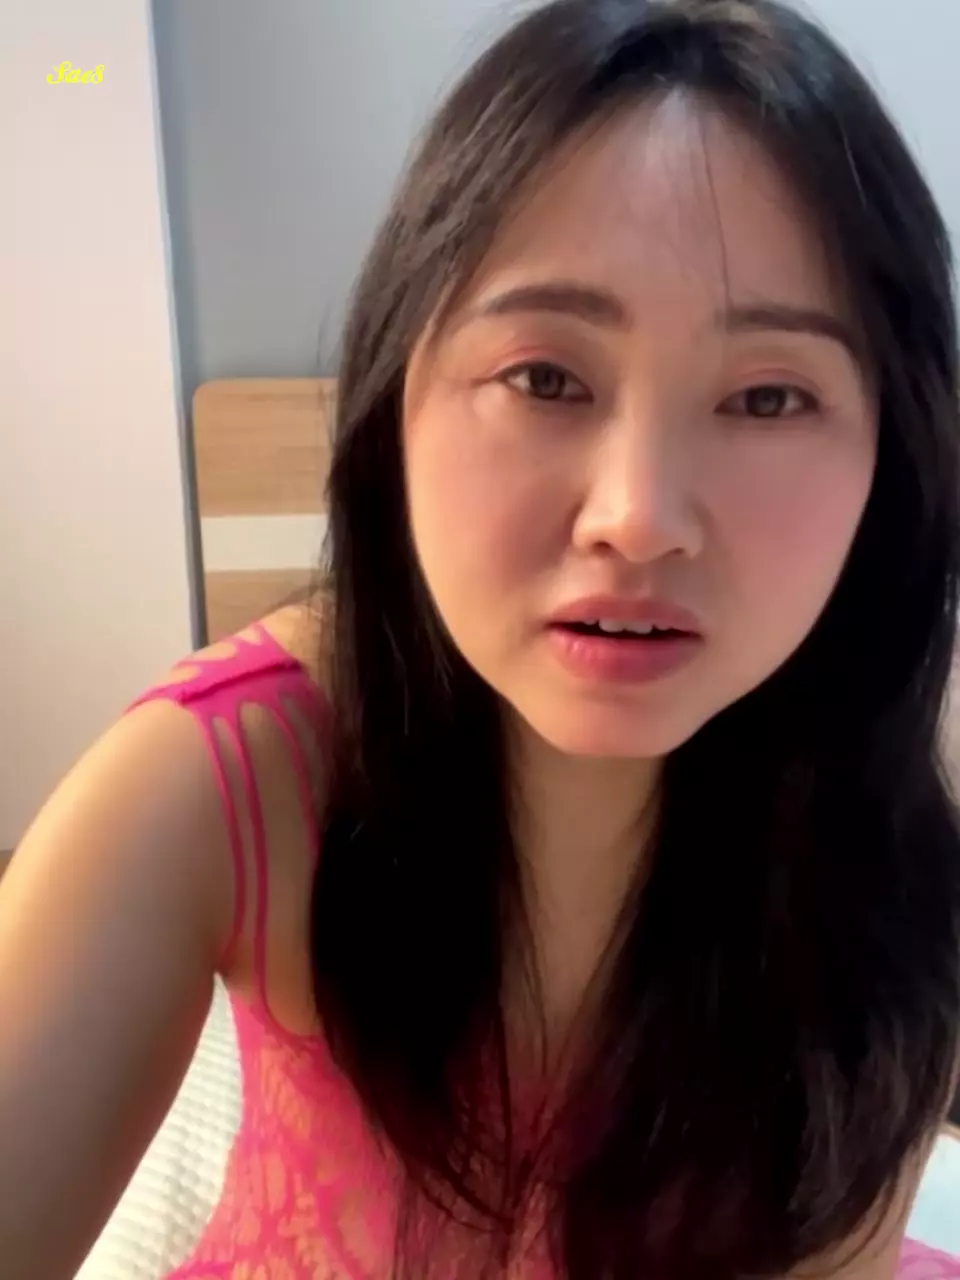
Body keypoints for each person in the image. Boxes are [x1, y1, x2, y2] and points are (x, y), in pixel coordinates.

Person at [2, 0, 959, 1276]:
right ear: (400, 399)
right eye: (546, 378)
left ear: (890, 457)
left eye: (769, 395)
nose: (637, 515)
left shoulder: (891, 839)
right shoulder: (227, 778)